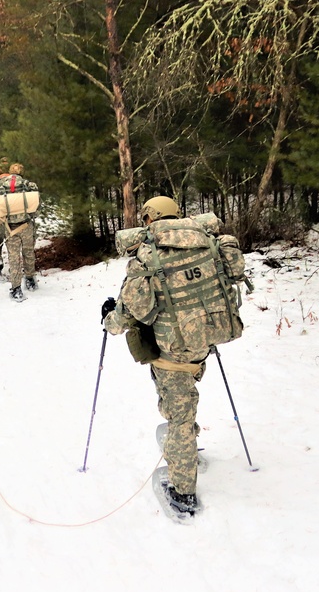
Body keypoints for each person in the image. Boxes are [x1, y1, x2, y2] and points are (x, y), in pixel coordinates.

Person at [101, 196, 247, 517]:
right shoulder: (207, 242)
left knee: (179, 415)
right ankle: (187, 446)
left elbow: (129, 315)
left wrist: (109, 318)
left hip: (173, 350)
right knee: (186, 400)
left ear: (150, 218)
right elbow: (234, 273)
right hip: (206, 337)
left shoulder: (148, 256)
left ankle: (183, 493)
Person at [0, 162, 39, 300]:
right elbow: (37, 209)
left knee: (13, 257)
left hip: (10, 227)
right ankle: (30, 280)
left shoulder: (0, 186)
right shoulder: (29, 185)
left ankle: (16, 289)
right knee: (28, 253)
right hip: (26, 226)